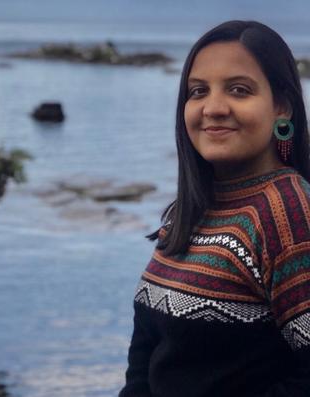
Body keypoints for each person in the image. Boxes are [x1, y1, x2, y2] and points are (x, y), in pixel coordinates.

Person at [119, 20, 310, 397]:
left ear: (281, 107)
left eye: (239, 90)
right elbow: (145, 360)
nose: (214, 108)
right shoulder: (191, 211)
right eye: (198, 91)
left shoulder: (288, 213)